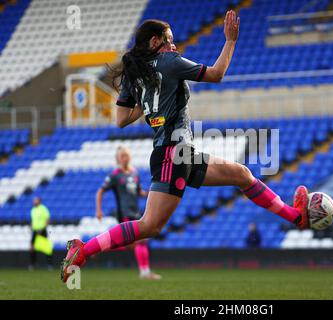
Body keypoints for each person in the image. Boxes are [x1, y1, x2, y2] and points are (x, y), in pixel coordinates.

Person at [61, 11, 312, 282]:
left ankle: (297, 217)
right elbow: (216, 74)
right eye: (169, 40)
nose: (174, 45)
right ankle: (83, 250)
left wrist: (148, 104)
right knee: (150, 225)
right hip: (174, 153)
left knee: (242, 175)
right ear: (155, 41)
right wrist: (230, 41)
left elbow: (121, 119)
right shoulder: (169, 61)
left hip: (178, 152)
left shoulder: (135, 74)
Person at [96, 146, 161, 280]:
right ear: (118, 159)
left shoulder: (134, 173)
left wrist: (148, 193)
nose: (125, 158)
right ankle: (144, 272)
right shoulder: (114, 175)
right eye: (122, 156)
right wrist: (99, 210)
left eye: (126, 155)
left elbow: (138, 192)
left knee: (132, 243)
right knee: (139, 241)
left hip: (136, 212)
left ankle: (98, 247)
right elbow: (100, 191)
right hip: (124, 213)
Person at [30, 197, 53, 270]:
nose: (34, 201)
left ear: (39, 201)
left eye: (35, 200)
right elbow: (33, 220)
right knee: (32, 247)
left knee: (46, 248)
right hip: (35, 230)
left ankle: (49, 265)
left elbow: (48, 219)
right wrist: (31, 225)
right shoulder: (33, 210)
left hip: (42, 230)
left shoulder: (43, 209)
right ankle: (33, 264)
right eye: (34, 200)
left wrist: (42, 228)